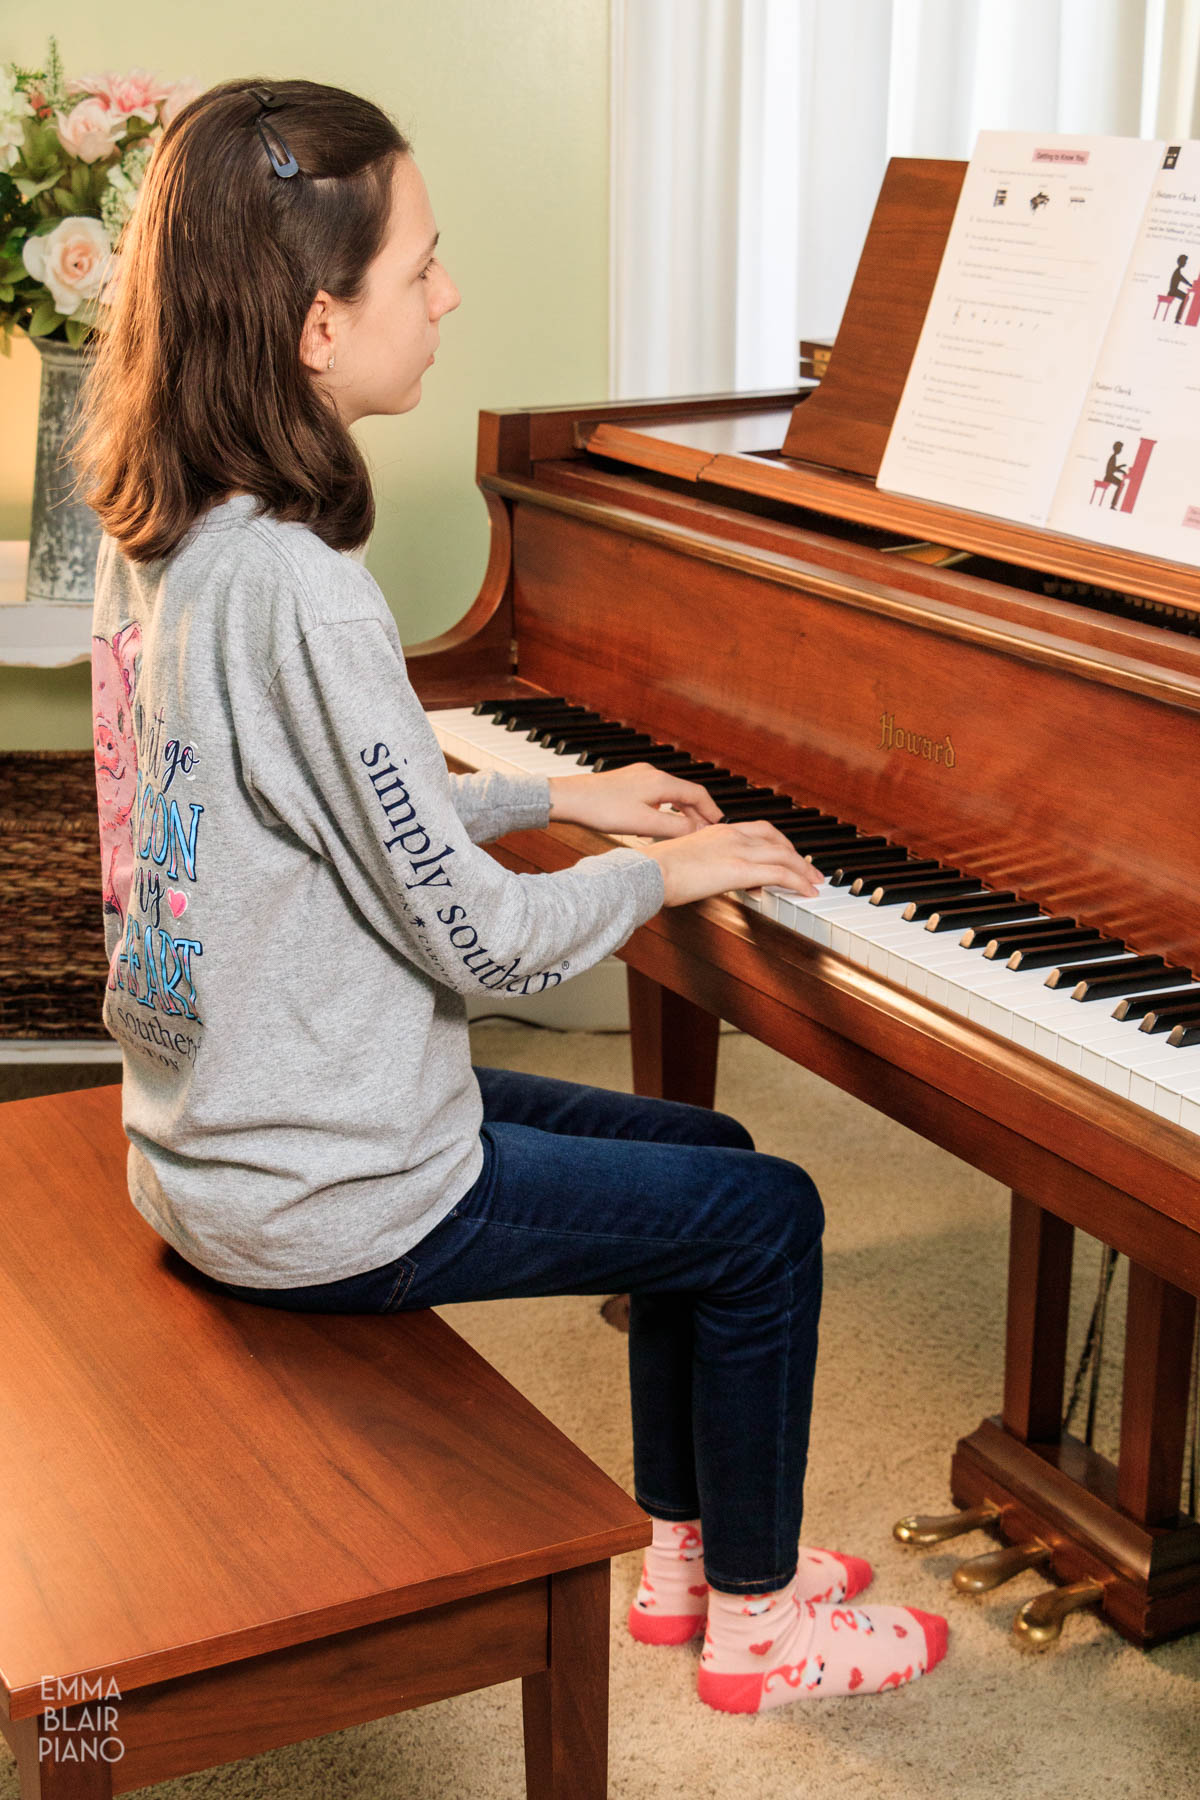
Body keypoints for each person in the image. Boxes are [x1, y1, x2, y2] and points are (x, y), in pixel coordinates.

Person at [77, 77, 947, 1715]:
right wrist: (662, 867)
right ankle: (760, 1631)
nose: (449, 294)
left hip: (214, 1142)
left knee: (712, 1157)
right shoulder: (303, 591)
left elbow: (329, 806)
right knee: (772, 1223)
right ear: (316, 327)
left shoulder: (181, 531)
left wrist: (557, 790)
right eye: (421, 267)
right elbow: (476, 941)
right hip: (325, 1189)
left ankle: (690, 1553)